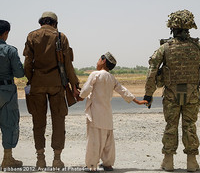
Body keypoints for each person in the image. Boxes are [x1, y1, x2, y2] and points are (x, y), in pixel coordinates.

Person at [144, 9, 200, 172]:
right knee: (190, 125)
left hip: (171, 94)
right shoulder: (197, 47)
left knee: (171, 126)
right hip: (192, 94)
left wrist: (149, 94)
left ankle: (168, 162)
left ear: (173, 28)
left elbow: (152, 72)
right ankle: (192, 162)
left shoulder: (165, 48)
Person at [23, 11, 79, 169]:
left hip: (37, 84)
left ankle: (40, 159)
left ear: (41, 22)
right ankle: (57, 159)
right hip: (56, 84)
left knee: (38, 122)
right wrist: (74, 84)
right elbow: (68, 65)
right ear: (55, 23)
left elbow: (27, 64)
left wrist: (31, 79)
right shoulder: (61, 37)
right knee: (58, 121)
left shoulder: (32, 36)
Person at [79, 52, 147, 171]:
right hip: (107, 115)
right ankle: (108, 164)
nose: (97, 62)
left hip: (95, 114)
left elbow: (85, 91)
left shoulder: (95, 74)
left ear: (103, 61)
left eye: (98, 59)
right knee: (108, 140)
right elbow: (123, 91)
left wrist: (78, 96)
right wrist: (137, 101)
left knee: (94, 140)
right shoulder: (112, 78)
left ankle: (91, 165)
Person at [0, 20, 24, 169]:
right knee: (9, 123)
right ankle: (7, 158)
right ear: (6, 33)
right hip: (7, 92)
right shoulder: (11, 51)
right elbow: (19, 73)